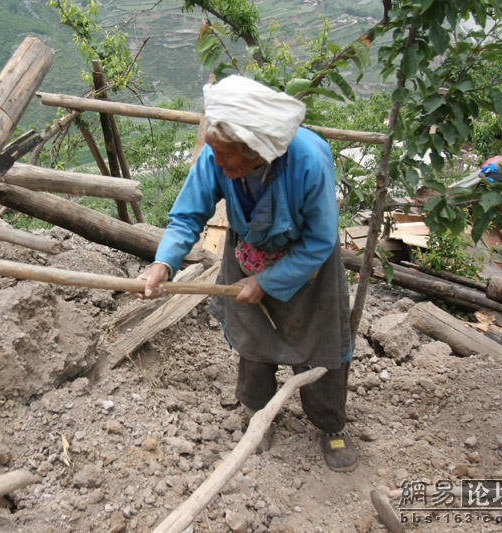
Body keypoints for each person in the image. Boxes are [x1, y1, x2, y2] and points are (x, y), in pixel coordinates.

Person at [135, 75, 357, 472]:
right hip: (249, 255)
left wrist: (268, 282)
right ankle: (258, 412)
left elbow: (321, 240)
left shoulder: (310, 158)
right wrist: (163, 263)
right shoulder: (215, 156)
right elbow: (187, 216)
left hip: (307, 263)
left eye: (224, 157)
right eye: (214, 154)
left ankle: (330, 424)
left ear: (257, 151)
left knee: (321, 345)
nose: (215, 162)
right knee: (254, 341)